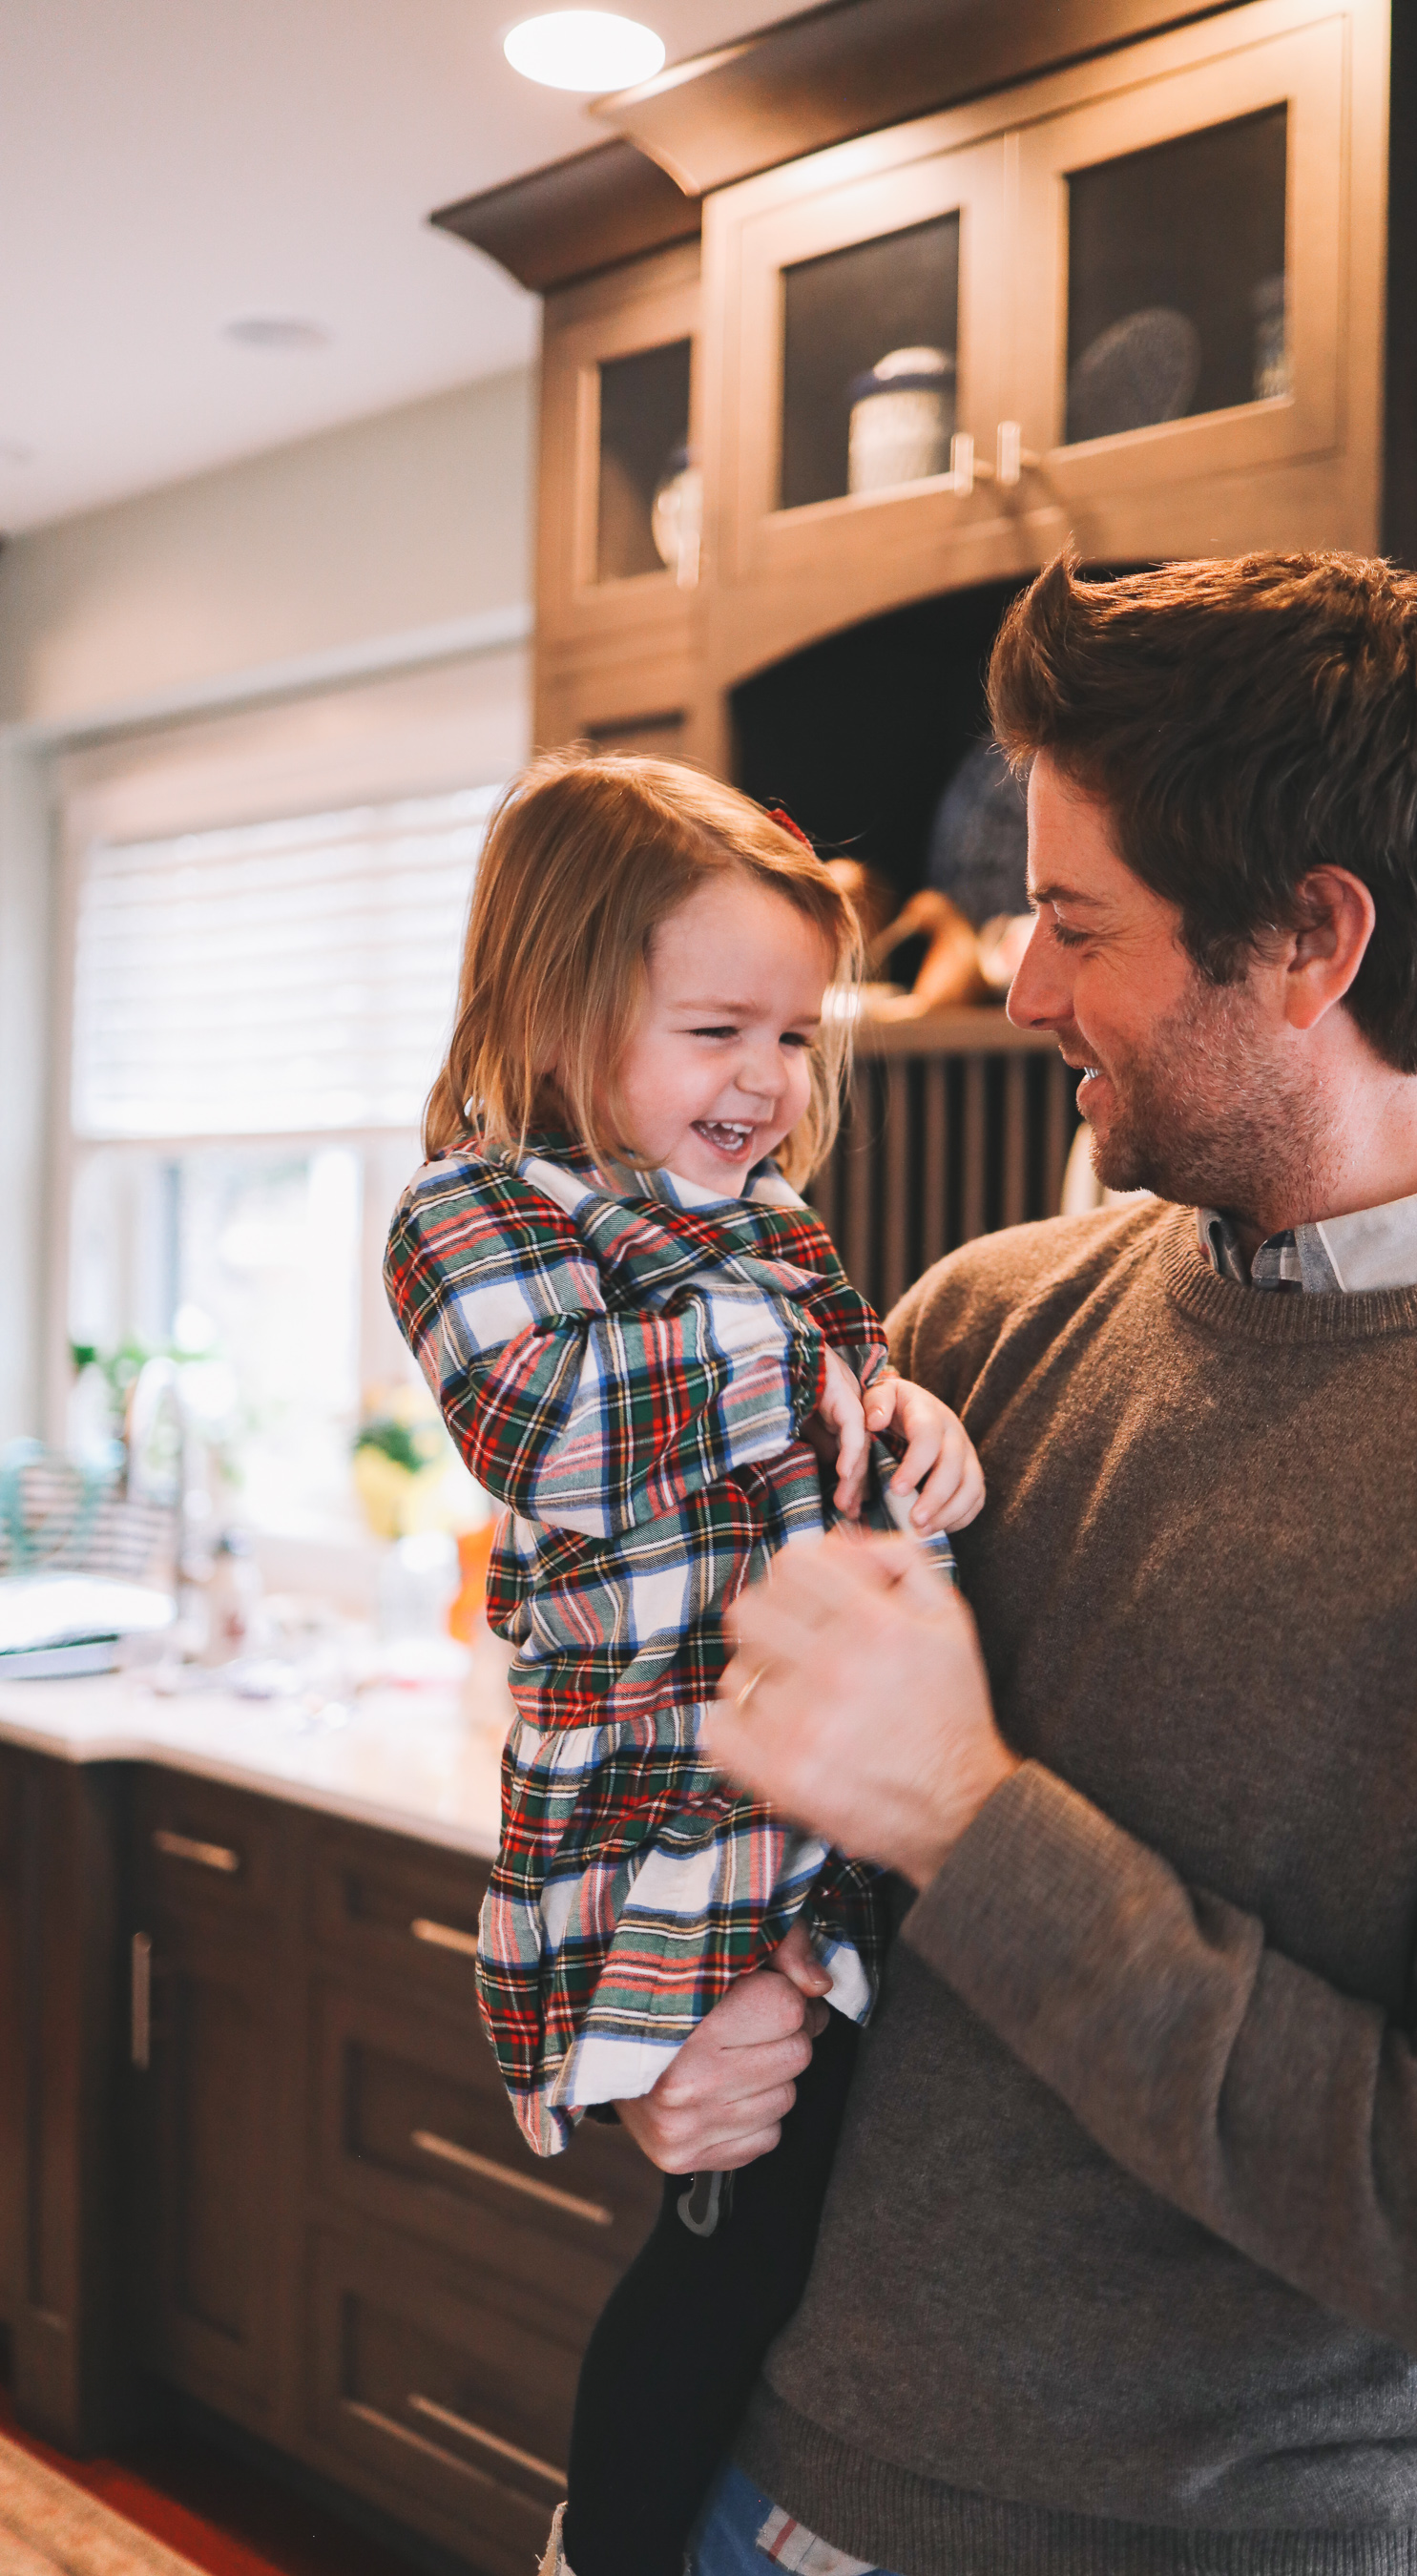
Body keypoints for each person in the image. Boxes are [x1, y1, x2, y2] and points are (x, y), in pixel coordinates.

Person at [610, 551, 1417, 2576]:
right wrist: (666, 2029)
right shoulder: (975, 1328)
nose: (1022, 984)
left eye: (1072, 920)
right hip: (745, 2482)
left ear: (1310, 939)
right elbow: (751, 1848)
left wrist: (972, 1815)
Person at [382, 753, 983, 2576]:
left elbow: (850, 1381)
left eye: (797, 1038)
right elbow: (554, 1431)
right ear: (561, 1010)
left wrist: (912, 1408)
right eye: (721, 1027)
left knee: (806, 2224)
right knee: (722, 2258)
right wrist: (793, 1375)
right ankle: (614, 2548)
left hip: (801, 1787)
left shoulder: (776, 1227)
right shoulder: (472, 1221)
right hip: (644, 1809)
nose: (770, 1085)